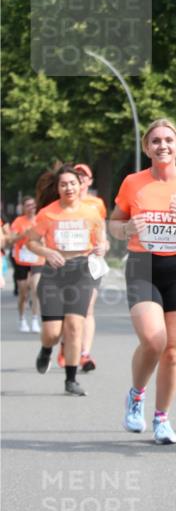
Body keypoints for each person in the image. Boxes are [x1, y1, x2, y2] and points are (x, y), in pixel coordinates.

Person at [109, 118, 176, 445]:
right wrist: (126, 229)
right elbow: (114, 223)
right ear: (146, 148)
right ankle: (136, 395)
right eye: (155, 141)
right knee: (154, 341)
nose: (162, 146)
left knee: (172, 351)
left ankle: (161, 419)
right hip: (143, 264)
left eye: (169, 140)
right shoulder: (133, 183)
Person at [26, 165, 106, 396]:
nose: (69, 187)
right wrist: (47, 252)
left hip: (81, 272)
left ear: (80, 185)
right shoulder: (48, 213)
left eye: (73, 183)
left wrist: (102, 247)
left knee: (74, 325)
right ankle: (45, 349)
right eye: (64, 184)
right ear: (58, 188)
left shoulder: (91, 212)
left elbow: (102, 242)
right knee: (52, 332)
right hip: (54, 273)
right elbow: (31, 242)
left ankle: (70, 380)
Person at [55, 163, 108, 372]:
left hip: (91, 263)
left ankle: (84, 354)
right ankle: (65, 345)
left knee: (87, 309)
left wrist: (103, 245)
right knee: (67, 313)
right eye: (78, 176)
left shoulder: (97, 204)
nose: (82, 180)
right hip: (65, 265)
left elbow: (101, 232)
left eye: (85, 176)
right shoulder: (61, 203)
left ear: (89, 181)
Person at [9, 196, 44, 333]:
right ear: (23, 208)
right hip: (22, 260)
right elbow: (11, 240)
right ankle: (22, 319)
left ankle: (35, 320)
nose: (31, 207)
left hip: (37, 259)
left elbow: (46, 236)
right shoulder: (18, 222)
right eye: (28, 205)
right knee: (23, 293)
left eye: (33, 205)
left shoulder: (40, 220)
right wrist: (23, 234)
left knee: (36, 289)